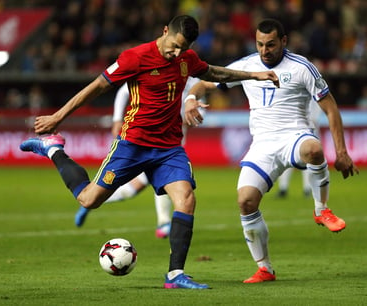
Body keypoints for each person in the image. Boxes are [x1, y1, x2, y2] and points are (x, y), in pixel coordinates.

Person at [19, 15, 279, 289]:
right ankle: (54, 149)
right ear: (165, 31)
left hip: (168, 148)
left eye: (183, 48)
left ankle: (175, 274)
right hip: (133, 144)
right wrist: (58, 117)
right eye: (174, 46)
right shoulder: (135, 57)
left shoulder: (186, 59)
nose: (176, 53)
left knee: (186, 200)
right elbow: (96, 87)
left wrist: (253, 74)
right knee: (89, 199)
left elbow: (213, 72)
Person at [184, 18, 359, 284]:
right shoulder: (246, 66)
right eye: (260, 44)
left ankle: (321, 209)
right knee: (245, 201)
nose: (265, 50)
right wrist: (190, 99)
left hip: (294, 135)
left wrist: (342, 152)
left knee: (313, 150)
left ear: (284, 42)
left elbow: (330, 107)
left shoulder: (302, 68)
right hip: (262, 145)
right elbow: (205, 82)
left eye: (271, 44)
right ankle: (265, 268)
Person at [75, 77, 205, 239]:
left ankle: (95, 199)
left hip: (173, 142)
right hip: (150, 143)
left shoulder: (194, 82)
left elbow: (201, 108)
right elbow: (124, 91)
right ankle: (163, 223)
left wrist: (193, 116)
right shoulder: (159, 71)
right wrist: (117, 119)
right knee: (164, 180)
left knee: (135, 188)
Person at [276, 100, 322, 198]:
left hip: (308, 128)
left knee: (307, 159)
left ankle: (307, 188)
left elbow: (317, 109)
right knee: (286, 157)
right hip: (291, 128)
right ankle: (283, 188)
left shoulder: (312, 89)